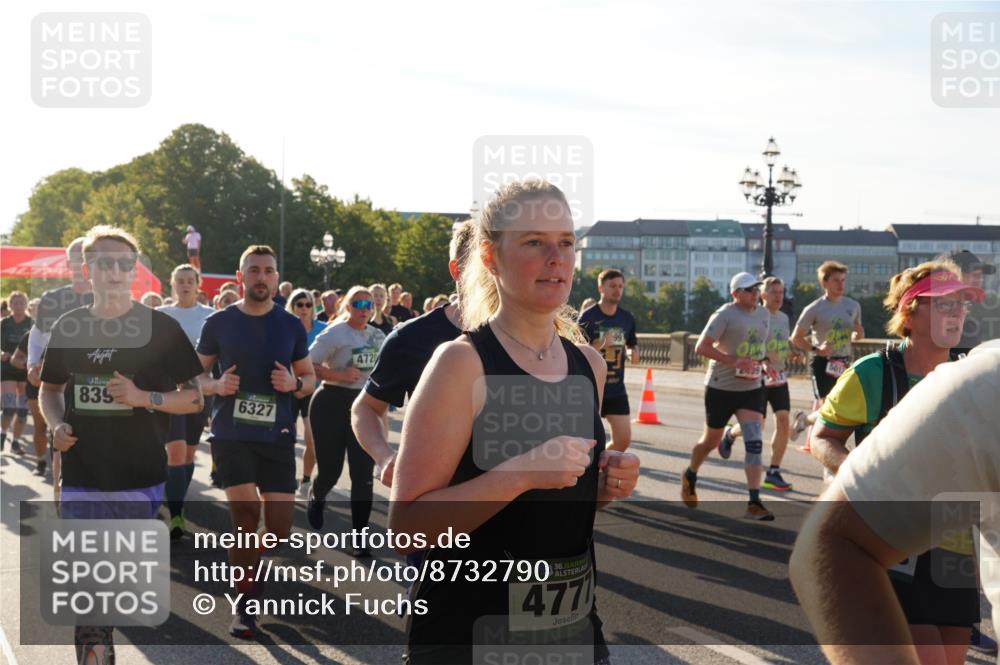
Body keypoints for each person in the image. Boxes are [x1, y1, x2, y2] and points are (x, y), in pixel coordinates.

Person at [389, 180, 639, 664]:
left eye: (566, 242)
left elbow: (556, 506)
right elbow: (407, 529)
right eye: (534, 242)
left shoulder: (588, 364)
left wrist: (606, 484)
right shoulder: (461, 364)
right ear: (491, 256)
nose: (556, 258)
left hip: (571, 630)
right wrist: (521, 473)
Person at [39, 226, 204, 664]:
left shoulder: (160, 328)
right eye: (104, 262)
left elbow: (194, 398)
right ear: (87, 269)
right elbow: (50, 390)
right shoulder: (69, 326)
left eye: (124, 263)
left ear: (134, 271)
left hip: (140, 478)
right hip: (82, 475)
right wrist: (56, 424)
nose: (114, 270)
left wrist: (144, 398)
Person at [789, 343, 1000, 665]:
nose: (956, 318)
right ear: (908, 316)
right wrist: (870, 483)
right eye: (944, 312)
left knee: (950, 655)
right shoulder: (877, 371)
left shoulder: (963, 363)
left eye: (960, 313)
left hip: (955, 546)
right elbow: (822, 438)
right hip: (899, 537)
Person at [195, 244, 316, 638]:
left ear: (276, 278)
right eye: (254, 270)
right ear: (240, 276)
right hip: (231, 435)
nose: (261, 277)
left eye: (268, 271)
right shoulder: (218, 322)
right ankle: (244, 604)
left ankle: (245, 562)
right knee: (246, 519)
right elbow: (194, 376)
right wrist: (215, 385)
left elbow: (309, 378)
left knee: (279, 530)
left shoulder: (291, 325)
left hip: (277, 435)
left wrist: (294, 384)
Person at [352, 220, 475, 490]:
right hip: (432, 496)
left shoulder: (527, 335)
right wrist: (385, 457)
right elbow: (365, 408)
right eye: (482, 264)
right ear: (456, 270)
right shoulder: (411, 337)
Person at [680, 271, 777, 520]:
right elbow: (702, 346)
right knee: (709, 442)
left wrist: (764, 363)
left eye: (757, 289)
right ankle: (690, 473)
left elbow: (759, 346)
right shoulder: (725, 314)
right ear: (735, 294)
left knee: (754, 441)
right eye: (749, 290)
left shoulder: (764, 314)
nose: (755, 293)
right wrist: (732, 361)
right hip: (720, 387)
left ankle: (754, 502)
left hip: (751, 388)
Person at [305, 286, 386, 547]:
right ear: (348, 306)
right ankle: (317, 495)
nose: (365, 309)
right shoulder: (335, 333)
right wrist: (337, 375)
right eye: (359, 304)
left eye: (369, 305)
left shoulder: (377, 336)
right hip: (331, 402)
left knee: (363, 475)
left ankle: (360, 537)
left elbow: (386, 370)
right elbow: (307, 364)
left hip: (363, 406)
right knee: (331, 471)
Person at [717, 276, 796, 491]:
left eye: (781, 292)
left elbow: (781, 344)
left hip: (778, 376)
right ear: (763, 295)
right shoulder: (755, 316)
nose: (779, 297)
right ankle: (730, 434)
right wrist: (764, 362)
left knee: (783, 420)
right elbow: (751, 346)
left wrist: (791, 353)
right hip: (757, 377)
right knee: (756, 426)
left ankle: (774, 472)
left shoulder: (783, 318)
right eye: (774, 292)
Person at [26, 237, 94, 486]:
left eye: (86, 257)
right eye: (76, 258)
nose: (81, 263)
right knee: (62, 441)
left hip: (98, 382)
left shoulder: (109, 298)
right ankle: (61, 495)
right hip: (60, 381)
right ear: (68, 264)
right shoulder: (52, 298)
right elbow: (38, 334)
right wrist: (32, 362)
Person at [157, 264, 216, 540]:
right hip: (170, 391)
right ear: (173, 284)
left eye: (189, 280)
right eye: (179, 281)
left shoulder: (210, 316)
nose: (185, 285)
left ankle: (176, 495)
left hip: (199, 392)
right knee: (176, 453)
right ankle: (177, 515)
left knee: (189, 454)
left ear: (197, 284)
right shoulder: (161, 315)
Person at [789, 260, 864, 443]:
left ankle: (805, 421)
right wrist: (816, 349)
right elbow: (796, 338)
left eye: (843, 280)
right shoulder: (814, 308)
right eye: (836, 280)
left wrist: (858, 335)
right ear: (824, 282)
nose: (841, 285)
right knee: (828, 406)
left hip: (844, 362)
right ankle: (822, 441)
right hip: (823, 362)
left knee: (843, 405)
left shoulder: (853, 306)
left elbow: (857, 335)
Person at [579, 269, 639, 453]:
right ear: (601, 288)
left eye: (620, 286)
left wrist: (633, 352)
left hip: (616, 388)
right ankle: (592, 466)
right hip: (590, 388)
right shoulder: (588, 317)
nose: (617, 290)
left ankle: (600, 464)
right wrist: (602, 342)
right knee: (586, 444)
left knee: (623, 440)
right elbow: (576, 352)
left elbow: (631, 344)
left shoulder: (626, 318)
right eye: (612, 286)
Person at [285, 288, 326, 495]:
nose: (304, 308)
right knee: (286, 439)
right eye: (299, 304)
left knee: (312, 439)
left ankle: (306, 478)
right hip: (288, 389)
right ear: (292, 307)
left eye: (308, 304)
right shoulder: (284, 327)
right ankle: (287, 477)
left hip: (313, 390)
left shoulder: (323, 329)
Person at [1, 291, 33, 454]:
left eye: (21, 302)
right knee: (9, 407)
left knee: (22, 411)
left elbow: (38, 346)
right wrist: (1, 354)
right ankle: (2, 433)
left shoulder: (32, 324)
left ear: (26, 304)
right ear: (10, 305)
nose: (19, 306)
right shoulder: (4, 323)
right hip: (7, 369)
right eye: (15, 303)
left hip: (25, 370)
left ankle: (16, 441)